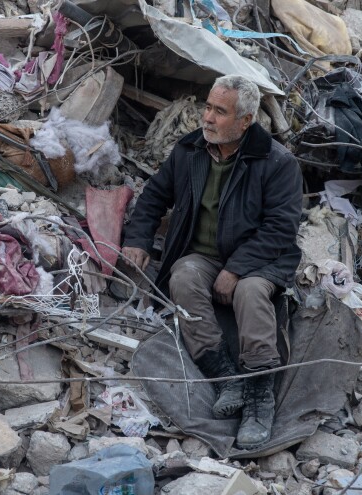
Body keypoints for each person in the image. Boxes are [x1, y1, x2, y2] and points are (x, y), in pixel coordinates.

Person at [122, 74, 303, 449]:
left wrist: (235, 269)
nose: (207, 118)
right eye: (207, 107)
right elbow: (154, 196)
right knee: (182, 276)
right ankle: (224, 377)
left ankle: (258, 395)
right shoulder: (189, 151)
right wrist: (138, 239)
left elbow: (280, 228)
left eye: (220, 112)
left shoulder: (276, 162)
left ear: (246, 120)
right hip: (204, 256)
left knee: (251, 294)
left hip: (259, 260)